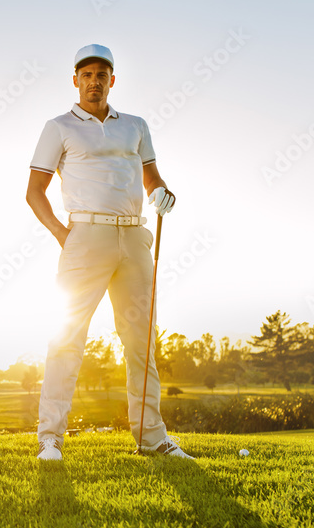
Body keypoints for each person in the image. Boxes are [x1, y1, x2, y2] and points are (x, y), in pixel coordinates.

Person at [26, 44, 193, 461]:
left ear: (112, 80)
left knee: (140, 342)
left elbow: (152, 178)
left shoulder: (135, 125)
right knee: (67, 338)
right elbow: (34, 194)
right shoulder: (59, 126)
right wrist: (66, 236)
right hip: (85, 237)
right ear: (76, 80)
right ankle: (51, 438)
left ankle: (152, 438)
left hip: (134, 239)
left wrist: (162, 194)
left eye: (102, 74)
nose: (94, 81)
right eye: (86, 74)